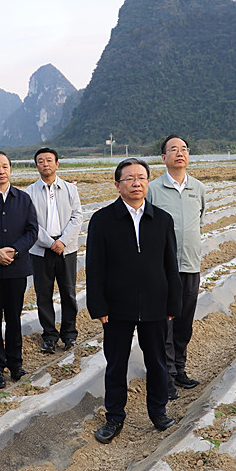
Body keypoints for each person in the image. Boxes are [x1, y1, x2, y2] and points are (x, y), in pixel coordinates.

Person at [86, 158, 182, 444]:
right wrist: (98, 306)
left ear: (148, 182)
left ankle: (158, 411)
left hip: (155, 304)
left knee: (157, 362)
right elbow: (94, 267)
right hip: (117, 307)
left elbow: (170, 265)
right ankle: (114, 417)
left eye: (141, 177)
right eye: (129, 178)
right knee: (116, 363)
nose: (136, 183)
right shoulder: (103, 220)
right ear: (117, 185)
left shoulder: (162, 219)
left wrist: (172, 304)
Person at [148, 135, 206, 400]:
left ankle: (180, 369)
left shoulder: (198, 188)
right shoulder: (153, 189)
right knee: (165, 323)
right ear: (164, 158)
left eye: (183, 149)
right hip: (163, 268)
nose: (179, 153)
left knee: (184, 322)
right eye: (173, 149)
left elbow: (199, 222)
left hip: (191, 264)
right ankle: (166, 376)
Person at [0, 151, 38, 389]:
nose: (1, 171)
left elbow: (32, 231)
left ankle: (15, 363)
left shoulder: (23, 199)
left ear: (10, 170)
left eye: (5, 167)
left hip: (16, 269)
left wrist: (14, 250)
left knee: (14, 318)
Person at [26, 148, 83, 353]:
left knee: (68, 292)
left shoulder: (70, 189)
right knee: (43, 294)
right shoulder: (29, 192)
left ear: (57, 164)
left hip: (66, 249)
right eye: (41, 161)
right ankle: (49, 335)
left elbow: (77, 218)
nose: (45, 164)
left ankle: (69, 334)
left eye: (49, 160)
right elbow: (31, 223)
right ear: (36, 166)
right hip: (41, 250)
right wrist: (50, 243)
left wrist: (63, 242)